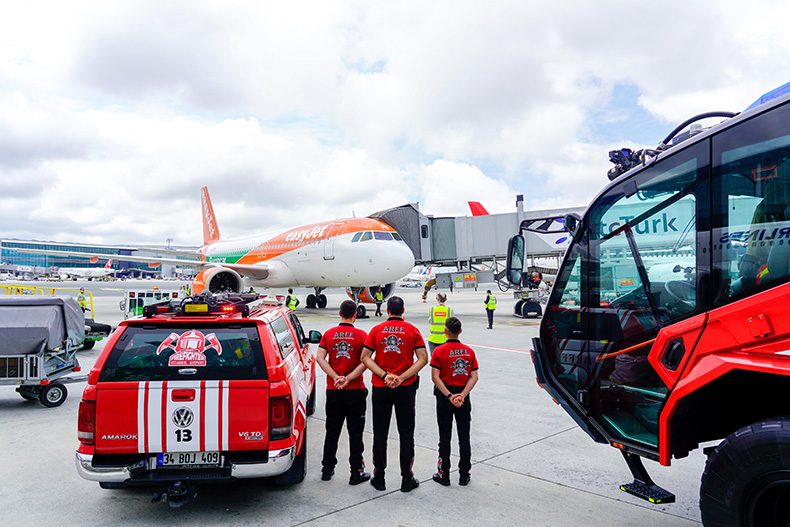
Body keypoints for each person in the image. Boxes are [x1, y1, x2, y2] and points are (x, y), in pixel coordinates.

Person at [361, 296, 428, 493]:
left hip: (381, 387)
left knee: (380, 432)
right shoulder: (412, 330)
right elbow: (423, 358)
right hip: (405, 388)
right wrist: (401, 377)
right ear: (403, 310)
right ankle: (407, 478)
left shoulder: (376, 330)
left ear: (388, 310)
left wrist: (384, 375)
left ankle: (379, 477)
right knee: (406, 433)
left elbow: (365, 357)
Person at [316, 300, 371, 485]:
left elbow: (320, 358)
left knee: (332, 431)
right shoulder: (362, 335)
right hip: (355, 390)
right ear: (355, 315)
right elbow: (366, 361)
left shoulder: (329, 334)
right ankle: (356, 471)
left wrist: (335, 376)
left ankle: (327, 469)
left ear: (339, 313)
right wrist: (348, 378)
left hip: (334, 390)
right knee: (355, 433)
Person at [430, 317, 478, 486]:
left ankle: (444, 474)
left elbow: (435, 377)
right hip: (463, 397)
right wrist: (462, 395)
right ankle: (464, 474)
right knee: (464, 437)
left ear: (445, 331)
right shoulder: (469, 351)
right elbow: (474, 376)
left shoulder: (439, 351)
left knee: (445, 436)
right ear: (460, 331)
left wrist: (450, 396)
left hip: (445, 397)